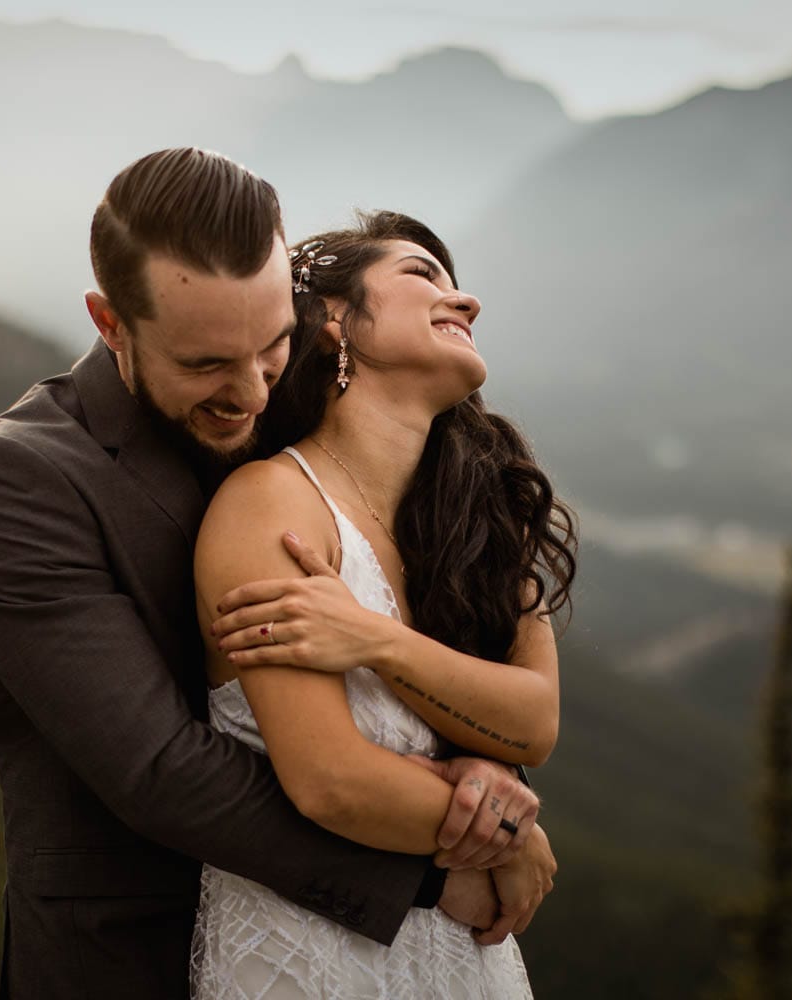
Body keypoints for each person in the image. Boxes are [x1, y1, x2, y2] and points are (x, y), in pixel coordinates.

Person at [0, 149, 544, 999]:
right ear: (110, 323)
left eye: (272, 347)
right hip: (131, 959)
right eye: (206, 365)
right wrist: (445, 863)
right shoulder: (16, 481)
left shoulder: (291, 425)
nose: (252, 392)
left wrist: (489, 778)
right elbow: (162, 771)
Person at [189, 211, 577, 997]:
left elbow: (532, 724)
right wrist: (508, 833)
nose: (464, 301)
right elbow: (330, 779)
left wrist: (374, 641)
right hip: (312, 958)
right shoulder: (269, 505)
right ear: (334, 319)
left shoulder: (480, 523)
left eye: (457, 283)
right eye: (421, 275)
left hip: (463, 964)